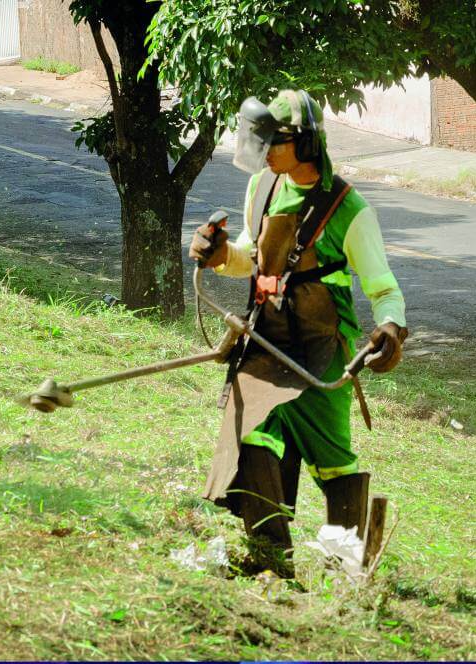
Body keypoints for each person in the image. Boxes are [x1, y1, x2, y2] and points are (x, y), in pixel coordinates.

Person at [189, 89, 407, 574]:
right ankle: (271, 560)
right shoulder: (263, 187)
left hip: (320, 353)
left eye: (274, 141)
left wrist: (390, 328)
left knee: (334, 466)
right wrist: (220, 253)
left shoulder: (351, 211)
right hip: (267, 343)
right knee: (252, 438)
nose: (264, 151)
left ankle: (346, 565)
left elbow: (383, 288)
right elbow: (250, 255)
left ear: (305, 143)